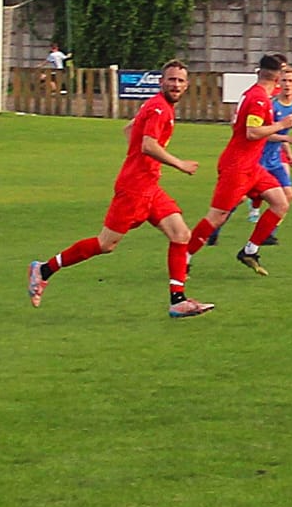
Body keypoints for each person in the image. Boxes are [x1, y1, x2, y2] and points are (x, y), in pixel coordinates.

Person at [27, 59, 214, 318]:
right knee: (106, 244)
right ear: (161, 82)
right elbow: (147, 145)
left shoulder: (158, 107)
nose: (176, 84)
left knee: (181, 234)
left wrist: (144, 162)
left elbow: (129, 130)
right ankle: (43, 270)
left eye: (181, 81)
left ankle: (177, 300)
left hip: (149, 186)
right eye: (171, 79)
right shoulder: (160, 109)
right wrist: (179, 164)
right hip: (134, 189)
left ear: (187, 85)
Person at [185, 54, 292, 277]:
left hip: (251, 167)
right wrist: (281, 125)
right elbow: (252, 132)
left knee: (281, 202)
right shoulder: (258, 99)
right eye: (283, 74)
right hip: (237, 167)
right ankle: (185, 256)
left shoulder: (259, 94)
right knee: (216, 216)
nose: (285, 80)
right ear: (276, 76)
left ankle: (250, 251)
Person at [208, 65, 292, 247]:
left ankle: (267, 234)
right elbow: (261, 132)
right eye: (284, 80)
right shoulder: (271, 104)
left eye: (290, 81)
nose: (287, 84)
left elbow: (281, 131)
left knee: (287, 195)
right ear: (278, 81)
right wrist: (287, 138)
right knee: (237, 198)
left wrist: (288, 152)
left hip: (275, 160)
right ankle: (214, 230)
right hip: (257, 159)